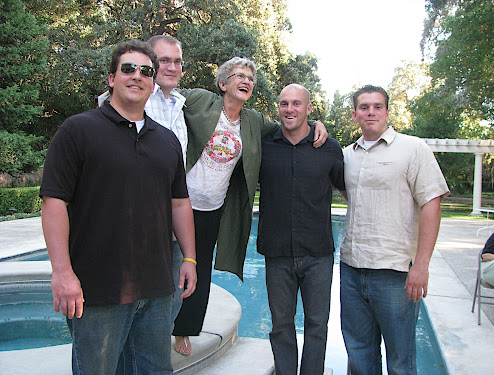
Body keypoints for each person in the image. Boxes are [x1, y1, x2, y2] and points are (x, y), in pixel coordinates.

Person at [40, 39, 196, 375]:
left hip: (156, 288)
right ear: (111, 78)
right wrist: (62, 272)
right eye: (128, 68)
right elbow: (54, 202)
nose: (137, 76)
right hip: (97, 290)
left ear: (154, 83)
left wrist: (189, 258)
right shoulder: (78, 130)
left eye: (146, 71)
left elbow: (180, 203)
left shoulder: (166, 141)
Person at [172, 58, 329, 355]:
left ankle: (184, 330)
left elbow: (288, 125)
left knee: (200, 268)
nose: (246, 81)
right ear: (223, 84)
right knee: (167, 263)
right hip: (180, 202)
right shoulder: (201, 101)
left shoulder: (254, 121)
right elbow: (167, 97)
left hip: (212, 209)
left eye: (250, 78)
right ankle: (154, 322)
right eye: (238, 76)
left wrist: (317, 123)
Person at [340, 85, 449, 375]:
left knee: (400, 359)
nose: (371, 112)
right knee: (359, 355)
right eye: (364, 107)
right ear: (355, 115)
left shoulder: (413, 149)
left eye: (377, 106)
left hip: (395, 273)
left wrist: (422, 265)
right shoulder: (346, 156)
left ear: (387, 112)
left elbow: (431, 203)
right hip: (351, 269)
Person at [98, 34, 188, 333]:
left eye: (177, 61)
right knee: (119, 312)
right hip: (128, 225)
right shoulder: (125, 103)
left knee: (167, 300)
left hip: (170, 222)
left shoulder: (183, 104)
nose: (171, 67)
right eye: (164, 61)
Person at [257, 84, 345, 375]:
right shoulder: (264, 145)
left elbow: (351, 190)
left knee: (317, 326)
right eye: (284, 104)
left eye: (297, 104)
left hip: (318, 254)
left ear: (309, 109)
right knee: (281, 325)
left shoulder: (329, 148)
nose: (290, 109)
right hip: (277, 253)